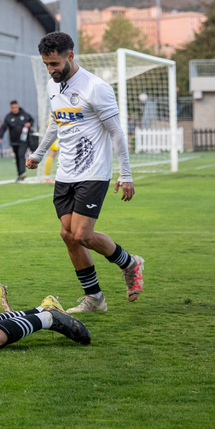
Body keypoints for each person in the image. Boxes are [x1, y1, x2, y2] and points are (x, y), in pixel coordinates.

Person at [26, 32, 144, 314]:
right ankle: (94, 299)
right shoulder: (53, 86)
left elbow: (116, 132)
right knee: (67, 235)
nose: (51, 70)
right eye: (46, 64)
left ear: (70, 56)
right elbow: (56, 123)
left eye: (54, 63)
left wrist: (125, 174)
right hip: (65, 173)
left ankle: (130, 263)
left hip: (93, 172)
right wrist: (39, 154)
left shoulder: (96, 87)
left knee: (81, 234)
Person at [0, 100, 35, 182]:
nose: (14, 109)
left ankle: (23, 172)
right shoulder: (8, 117)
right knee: (17, 157)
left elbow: (31, 120)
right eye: (12, 108)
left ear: (18, 106)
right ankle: (19, 174)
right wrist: (0, 137)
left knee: (21, 155)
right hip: (14, 141)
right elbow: (4, 127)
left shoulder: (24, 114)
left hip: (23, 140)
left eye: (15, 107)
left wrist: (29, 124)